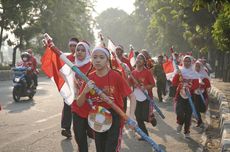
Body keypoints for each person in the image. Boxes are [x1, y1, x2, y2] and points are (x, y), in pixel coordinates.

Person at [76, 47, 136, 152]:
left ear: (107, 60)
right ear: (91, 60)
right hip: (98, 116)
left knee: (111, 149)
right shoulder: (89, 79)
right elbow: (79, 103)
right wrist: (85, 91)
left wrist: (131, 116)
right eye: (95, 57)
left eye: (101, 57)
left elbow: (132, 96)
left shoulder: (115, 76)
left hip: (115, 115)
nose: (98, 60)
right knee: (100, 149)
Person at [71, 41, 94, 152]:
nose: (79, 52)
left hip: (92, 108)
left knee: (95, 135)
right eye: (78, 50)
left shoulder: (92, 66)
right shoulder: (72, 67)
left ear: (87, 52)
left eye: (82, 50)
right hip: (78, 107)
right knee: (79, 137)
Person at [129, 53, 157, 140]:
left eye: (141, 59)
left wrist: (144, 87)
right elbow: (129, 84)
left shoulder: (147, 72)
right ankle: (145, 135)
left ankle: (151, 119)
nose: (138, 60)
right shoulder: (133, 72)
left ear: (144, 62)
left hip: (146, 98)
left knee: (145, 117)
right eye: (137, 58)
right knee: (138, 117)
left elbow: (153, 84)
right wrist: (127, 76)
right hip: (136, 98)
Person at [172, 55, 199, 138]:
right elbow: (174, 82)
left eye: (188, 61)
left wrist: (189, 86)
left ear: (191, 62)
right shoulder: (180, 72)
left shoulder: (194, 73)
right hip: (180, 95)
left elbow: (196, 85)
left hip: (190, 97)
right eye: (185, 61)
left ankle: (186, 132)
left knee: (188, 115)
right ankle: (180, 123)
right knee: (179, 112)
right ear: (183, 62)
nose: (187, 63)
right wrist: (180, 84)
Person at [61, 37, 79, 138]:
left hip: (81, 89)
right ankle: (66, 129)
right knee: (67, 107)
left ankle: (86, 127)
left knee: (80, 109)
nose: (72, 48)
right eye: (71, 46)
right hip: (70, 87)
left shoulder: (82, 58)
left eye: (74, 46)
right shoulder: (67, 59)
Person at [112, 45, 133, 113]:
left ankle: (123, 116)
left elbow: (130, 72)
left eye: (119, 50)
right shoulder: (112, 60)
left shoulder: (126, 60)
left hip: (124, 83)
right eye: (117, 50)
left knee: (124, 100)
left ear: (122, 51)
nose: (118, 51)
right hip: (115, 84)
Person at [194, 61, 211, 127]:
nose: (197, 68)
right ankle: (199, 121)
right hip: (195, 95)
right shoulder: (192, 75)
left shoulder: (204, 77)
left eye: (198, 67)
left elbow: (208, 87)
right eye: (196, 66)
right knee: (196, 108)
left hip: (203, 95)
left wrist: (202, 85)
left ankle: (199, 119)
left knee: (202, 109)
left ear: (201, 67)